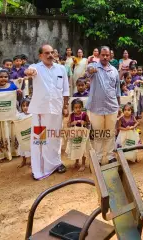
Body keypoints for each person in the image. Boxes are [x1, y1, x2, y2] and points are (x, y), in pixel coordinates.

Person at [24, 44, 70, 180]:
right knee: (40, 139)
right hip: (40, 110)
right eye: (46, 53)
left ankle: (56, 163)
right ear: (40, 56)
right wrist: (28, 72)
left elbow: (66, 89)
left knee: (55, 137)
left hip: (57, 108)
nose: (50, 55)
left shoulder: (61, 69)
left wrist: (66, 105)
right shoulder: (36, 68)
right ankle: (38, 169)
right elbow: (29, 71)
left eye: (52, 52)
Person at [86, 46, 121, 165]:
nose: (105, 57)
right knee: (98, 133)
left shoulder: (114, 71)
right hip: (96, 107)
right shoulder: (94, 67)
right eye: (103, 55)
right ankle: (99, 158)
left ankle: (110, 156)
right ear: (99, 55)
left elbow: (117, 90)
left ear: (110, 56)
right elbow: (88, 70)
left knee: (110, 132)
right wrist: (91, 70)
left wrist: (119, 106)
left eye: (107, 55)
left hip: (112, 107)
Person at [0, 68, 22, 161]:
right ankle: (1, 154)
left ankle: (13, 152)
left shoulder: (12, 86)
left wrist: (19, 93)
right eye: (0, 77)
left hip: (10, 116)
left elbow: (19, 99)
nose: (3, 79)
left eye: (5, 77)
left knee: (11, 133)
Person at [67, 99, 90, 172]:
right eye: (76, 108)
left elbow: (89, 124)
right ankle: (76, 162)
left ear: (82, 107)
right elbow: (68, 124)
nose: (78, 109)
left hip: (83, 136)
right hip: (75, 135)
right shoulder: (72, 115)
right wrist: (72, 123)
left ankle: (83, 164)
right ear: (73, 108)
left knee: (83, 149)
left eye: (79, 107)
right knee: (76, 148)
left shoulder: (84, 114)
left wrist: (85, 122)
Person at [17, 98, 32, 168]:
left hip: (31, 136)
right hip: (23, 136)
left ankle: (33, 162)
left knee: (32, 149)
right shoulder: (19, 116)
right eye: (23, 106)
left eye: (27, 105)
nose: (25, 107)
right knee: (22, 148)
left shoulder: (33, 115)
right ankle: (24, 161)